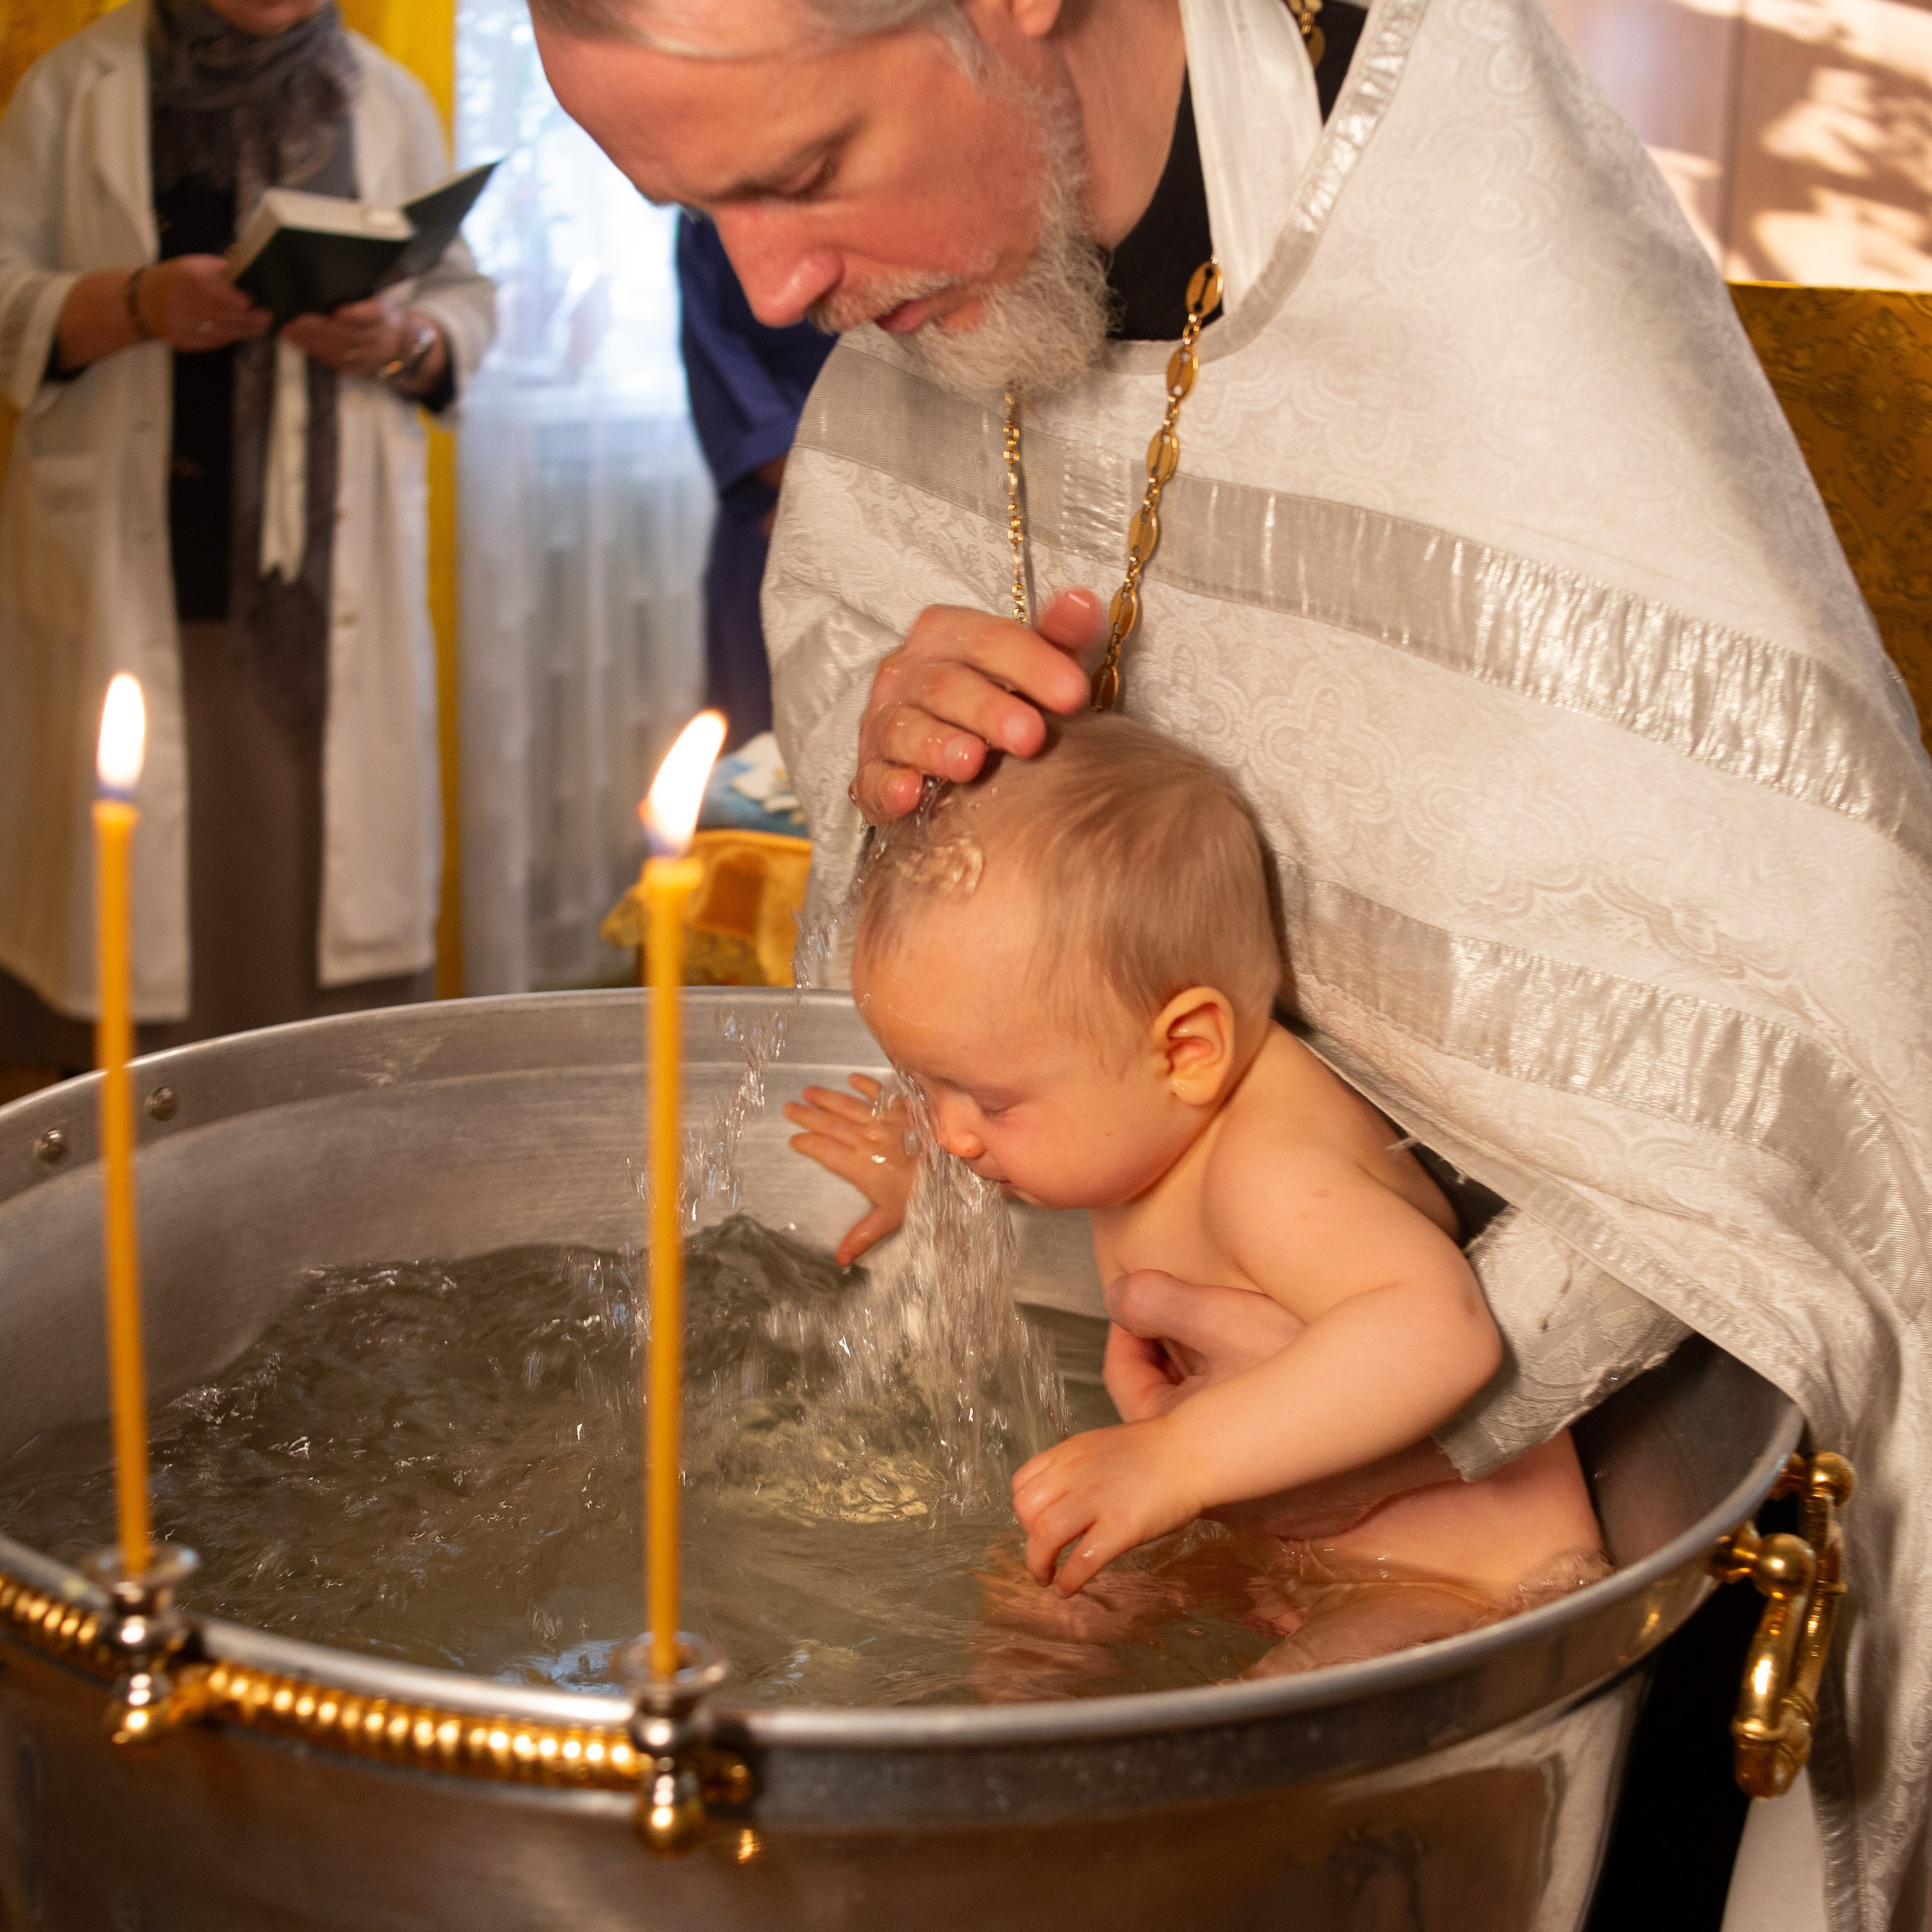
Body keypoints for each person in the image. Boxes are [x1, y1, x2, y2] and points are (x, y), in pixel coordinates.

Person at [531, 0, 1930, 1923]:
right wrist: (904, 754)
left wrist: (1360, 1409)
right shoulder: (932, 286)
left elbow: (1771, 1010)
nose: (770, 296)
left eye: (795, 175)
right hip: (1171, 1339)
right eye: (688, 212)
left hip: (1556, 1504)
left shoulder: (1466, 243)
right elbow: (998, 895)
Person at [812, 711, 1607, 1664]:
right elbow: (1077, 1142)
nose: (951, 1128)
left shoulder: (1270, 1169)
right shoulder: (1136, 1106)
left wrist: (1178, 1460)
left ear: (1186, 1048)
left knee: (1272, 1713)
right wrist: (929, 1186)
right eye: (924, 1084)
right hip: (1286, 1537)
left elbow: (1437, 1330)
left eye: (986, 1097)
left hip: (1467, 1581)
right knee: (1037, 1609)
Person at [0, 0, 496, 1068]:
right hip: (140, 581)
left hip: (324, 595)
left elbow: (460, 298)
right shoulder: (72, 89)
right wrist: (136, 303)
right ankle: (142, 1204)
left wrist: (399, 338)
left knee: (322, 922)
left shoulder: (385, 95)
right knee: (139, 908)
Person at [676, 210, 835, 746]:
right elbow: (723, 371)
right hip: (780, 514)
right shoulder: (703, 198)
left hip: (943, 510)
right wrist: (838, 494)